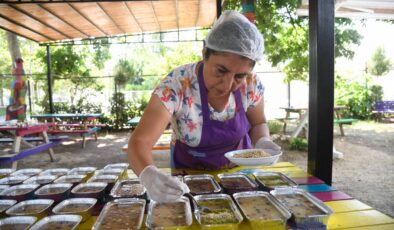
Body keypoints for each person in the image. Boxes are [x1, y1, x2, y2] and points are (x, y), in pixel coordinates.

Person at [127, 10, 280, 202]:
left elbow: (258, 124)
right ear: (205, 53)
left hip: (240, 175)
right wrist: (148, 174)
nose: (227, 85)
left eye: (239, 76)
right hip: (189, 178)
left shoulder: (251, 85)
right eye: (221, 70)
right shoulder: (177, 85)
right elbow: (139, 142)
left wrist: (263, 141)